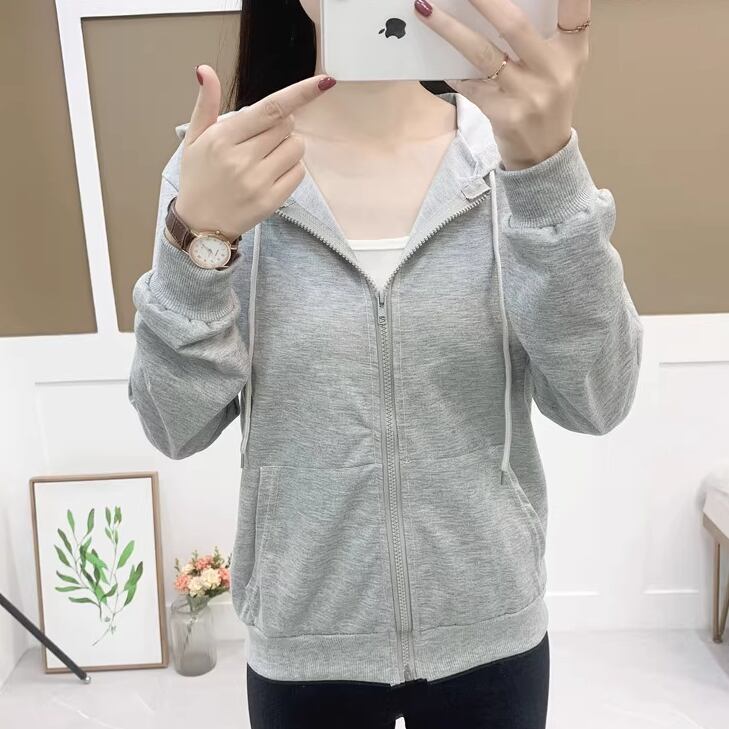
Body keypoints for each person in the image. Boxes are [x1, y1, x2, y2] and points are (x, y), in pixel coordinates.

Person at [128, 0, 642, 726]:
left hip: (492, 635)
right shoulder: (223, 170)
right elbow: (172, 424)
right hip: (304, 645)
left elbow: (598, 398)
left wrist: (546, 172)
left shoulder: (507, 157)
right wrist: (200, 239)